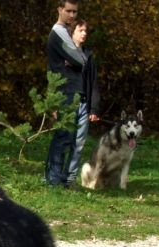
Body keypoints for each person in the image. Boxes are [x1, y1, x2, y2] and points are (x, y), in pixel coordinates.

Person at [45, 0, 85, 187]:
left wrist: (75, 59)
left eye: (75, 12)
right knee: (63, 136)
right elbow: (81, 59)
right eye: (68, 11)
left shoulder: (65, 33)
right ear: (59, 10)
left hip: (68, 89)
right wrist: (75, 59)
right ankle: (54, 179)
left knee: (65, 136)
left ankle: (54, 176)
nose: (72, 15)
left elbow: (79, 60)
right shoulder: (59, 33)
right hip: (64, 90)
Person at [65, 19, 101, 188]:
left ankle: (70, 178)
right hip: (67, 103)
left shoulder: (89, 56)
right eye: (81, 30)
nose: (84, 34)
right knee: (63, 141)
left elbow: (94, 83)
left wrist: (94, 108)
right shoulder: (64, 52)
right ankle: (54, 176)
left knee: (78, 144)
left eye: (86, 31)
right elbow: (56, 80)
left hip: (84, 105)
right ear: (73, 32)